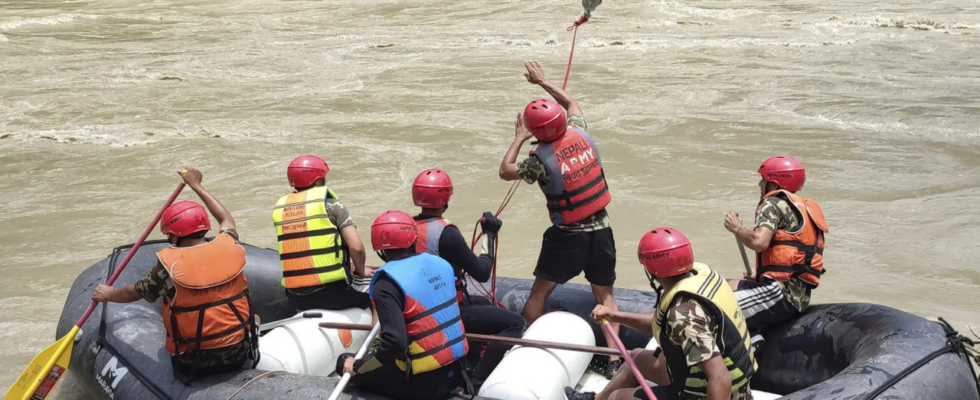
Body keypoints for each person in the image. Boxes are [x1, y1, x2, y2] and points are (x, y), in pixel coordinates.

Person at [497, 60, 621, 376]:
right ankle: (614, 360)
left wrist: (519, 138)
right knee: (606, 297)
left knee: (538, 294)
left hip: (568, 236)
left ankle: (528, 348)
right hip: (602, 230)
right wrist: (542, 81)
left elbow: (504, 171)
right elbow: (572, 103)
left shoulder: (538, 161)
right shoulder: (579, 130)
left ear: (536, 131)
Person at [92, 167, 258, 381]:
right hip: (239, 353)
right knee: (255, 317)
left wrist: (107, 294)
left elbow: (132, 292)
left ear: (173, 235)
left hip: (194, 361)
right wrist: (197, 185)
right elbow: (226, 218)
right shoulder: (230, 244)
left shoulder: (168, 269)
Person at [566, 228, 756, 400]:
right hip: (718, 382)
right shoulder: (699, 277)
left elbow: (720, 378)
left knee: (618, 397)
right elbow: (661, 322)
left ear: (651, 270)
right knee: (637, 358)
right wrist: (615, 315)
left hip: (715, 394)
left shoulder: (684, 314)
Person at [336, 211, 470, 400]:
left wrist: (357, 366)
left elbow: (395, 344)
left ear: (379, 249)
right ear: (414, 239)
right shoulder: (442, 265)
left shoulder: (386, 283)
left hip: (421, 385)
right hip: (457, 372)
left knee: (344, 361)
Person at [411, 168, 525, 388]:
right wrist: (489, 235)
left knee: (482, 303)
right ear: (446, 200)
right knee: (515, 323)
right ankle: (477, 378)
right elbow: (482, 272)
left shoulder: (407, 227)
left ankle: (468, 363)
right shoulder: (447, 234)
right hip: (445, 313)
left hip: (418, 310)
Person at [723, 156, 829, 331]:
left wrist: (737, 228)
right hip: (796, 296)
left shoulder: (772, 203)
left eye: (763, 180)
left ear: (773, 184)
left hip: (779, 295)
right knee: (718, 285)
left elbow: (759, 242)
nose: (759, 184)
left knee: (710, 308)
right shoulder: (801, 209)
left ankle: (753, 341)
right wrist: (762, 274)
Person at [272, 155, 372, 312]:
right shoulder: (332, 206)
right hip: (333, 294)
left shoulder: (281, 210)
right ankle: (380, 335)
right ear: (317, 180)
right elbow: (357, 248)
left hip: (296, 297)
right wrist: (361, 270)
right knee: (382, 290)